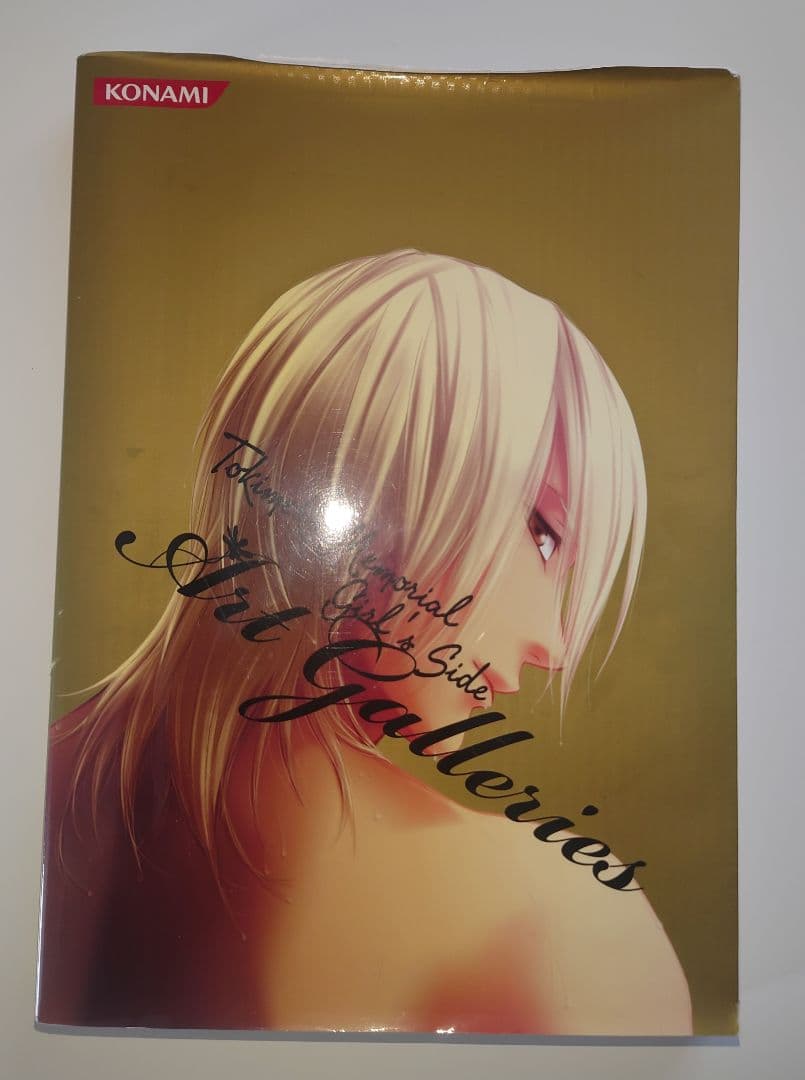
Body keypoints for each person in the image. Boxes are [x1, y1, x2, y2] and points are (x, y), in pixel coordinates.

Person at [38, 249, 692, 1034]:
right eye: (543, 533)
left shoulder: (36, 788)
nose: (553, 644)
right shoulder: (561, 927)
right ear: (377, 478)